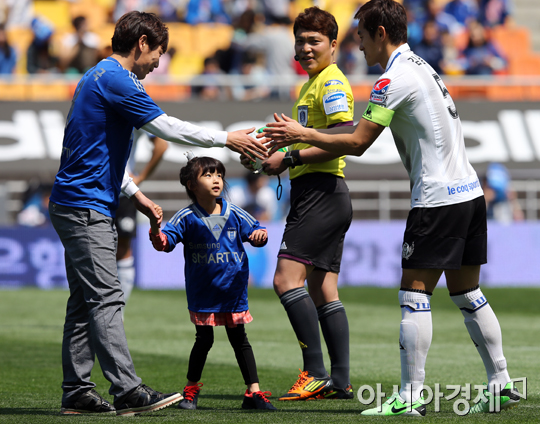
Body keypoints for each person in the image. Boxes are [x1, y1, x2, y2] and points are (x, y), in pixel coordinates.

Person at [262, 0, 520, 416]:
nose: (358, 44)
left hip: (437, 198)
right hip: (469, 193)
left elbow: (358, 142)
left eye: (361, 35)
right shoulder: (424, 66)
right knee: (467, 292)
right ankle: (501, 381)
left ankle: (410, 396)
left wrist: (298, 135)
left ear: (380, 33)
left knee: (413, 296)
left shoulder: (391, 79)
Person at [48, 10, 266, 417]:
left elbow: (92, 152)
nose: (157, 64)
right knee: (108, 296)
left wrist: (136, 194)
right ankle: (128, 390)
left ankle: (77, 391)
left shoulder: (93, 77)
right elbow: (166, 128)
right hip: (85, 206)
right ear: (142, 43)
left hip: (78, 200)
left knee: (84, 302)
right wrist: (226, 139)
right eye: (157, 54)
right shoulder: (117, 79)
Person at [249, 6, 355, 402]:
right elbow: (312, 136)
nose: (307, 48)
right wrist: (276, 143)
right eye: (301, 41)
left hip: (321, 193)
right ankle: (340, 381)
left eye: (315, 41)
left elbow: (345, 131)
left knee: (284, 281)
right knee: (323, 288)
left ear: (332, 44)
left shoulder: (330, 82)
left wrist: (290, 156)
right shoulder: (310, 84)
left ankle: (314, 372)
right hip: (326, 193)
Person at [148, 156, 276, 411]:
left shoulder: (234, 211)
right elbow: (164, 244)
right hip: (203, 293)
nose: (216, 179)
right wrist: (155, 226)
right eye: (207, 175)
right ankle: (191, 390)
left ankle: (254, 393)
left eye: (218, 174)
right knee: (204, 340)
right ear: (190, 184)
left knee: (240, 340)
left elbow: (256, 231)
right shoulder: (186, 217)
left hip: (233, 291)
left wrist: (258, 236)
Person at [116, 130, 168, 318]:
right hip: (95, 191)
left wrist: (140, 177)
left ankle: (117, 314)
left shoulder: (133, 105)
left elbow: (162, 145)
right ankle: (103, 314)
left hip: (121, 193)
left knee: (122, 250)